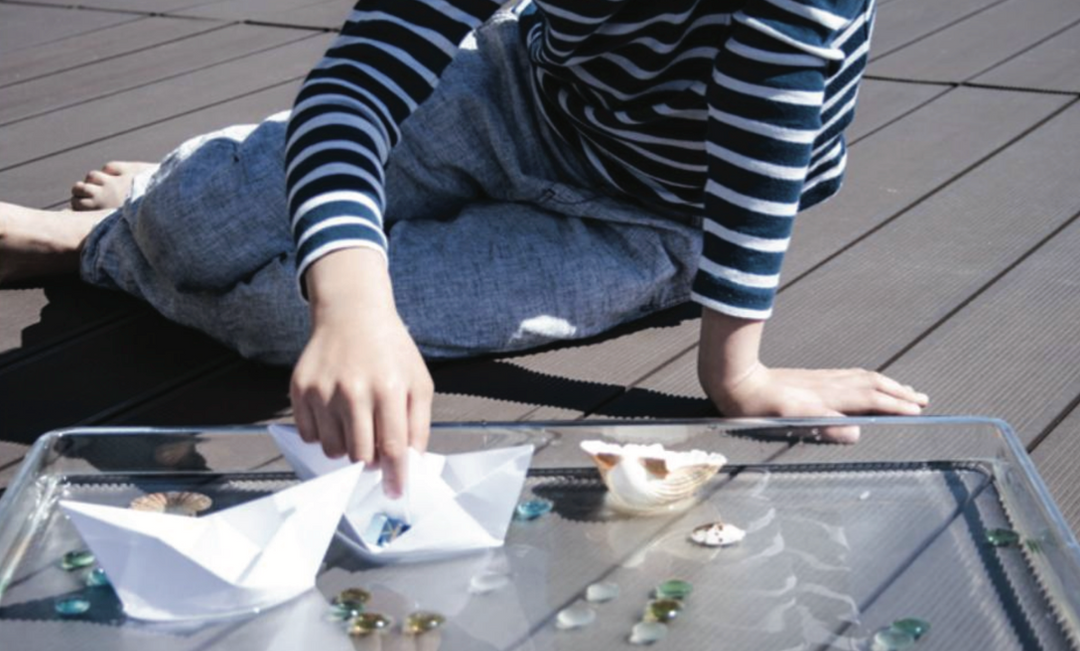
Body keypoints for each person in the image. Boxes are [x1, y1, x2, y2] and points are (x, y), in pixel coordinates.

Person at [0, 0, 928, 494]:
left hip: (650, 215)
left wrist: (738, 373)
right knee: (196, 230)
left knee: (277, 314)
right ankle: (146, 222)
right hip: (515, 91)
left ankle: (104, 243)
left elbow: (759, 171)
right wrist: (356, 304)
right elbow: (362, 82)